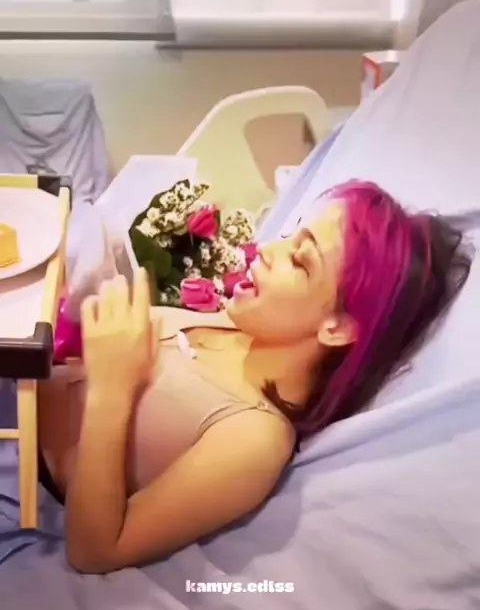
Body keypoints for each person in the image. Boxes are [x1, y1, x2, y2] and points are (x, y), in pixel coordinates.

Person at [37, 180, 472, 574]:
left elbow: (97, 551)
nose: (267, 249)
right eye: (290, 234)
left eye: (300, 261)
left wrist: (112, 391)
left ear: (337, 327)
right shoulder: (236, 325)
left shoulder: (256, 437)